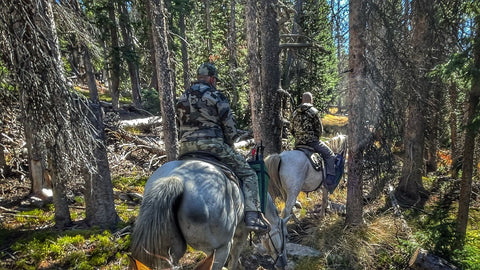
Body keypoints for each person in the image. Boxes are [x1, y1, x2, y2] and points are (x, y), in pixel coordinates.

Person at [176, 62, 270, 233]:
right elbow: (230, 129)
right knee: (249, 174)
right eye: (215, 80)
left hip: (185, 149)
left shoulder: (182, 97)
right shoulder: (216, 95)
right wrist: (233, 139)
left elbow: (179, 125)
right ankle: (252, 216)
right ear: (212, 79)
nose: (216, 82)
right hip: (213, 147)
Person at [290, 92, 336, 187]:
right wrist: (316, 138)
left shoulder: (294, 113)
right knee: (329, 154)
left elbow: (291, 129)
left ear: (302, 100)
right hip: (312, 142)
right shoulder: (313, 112)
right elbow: (319, 129)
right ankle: (330, 179)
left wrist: (298, 137)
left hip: (298, 144)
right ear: (311, 100)